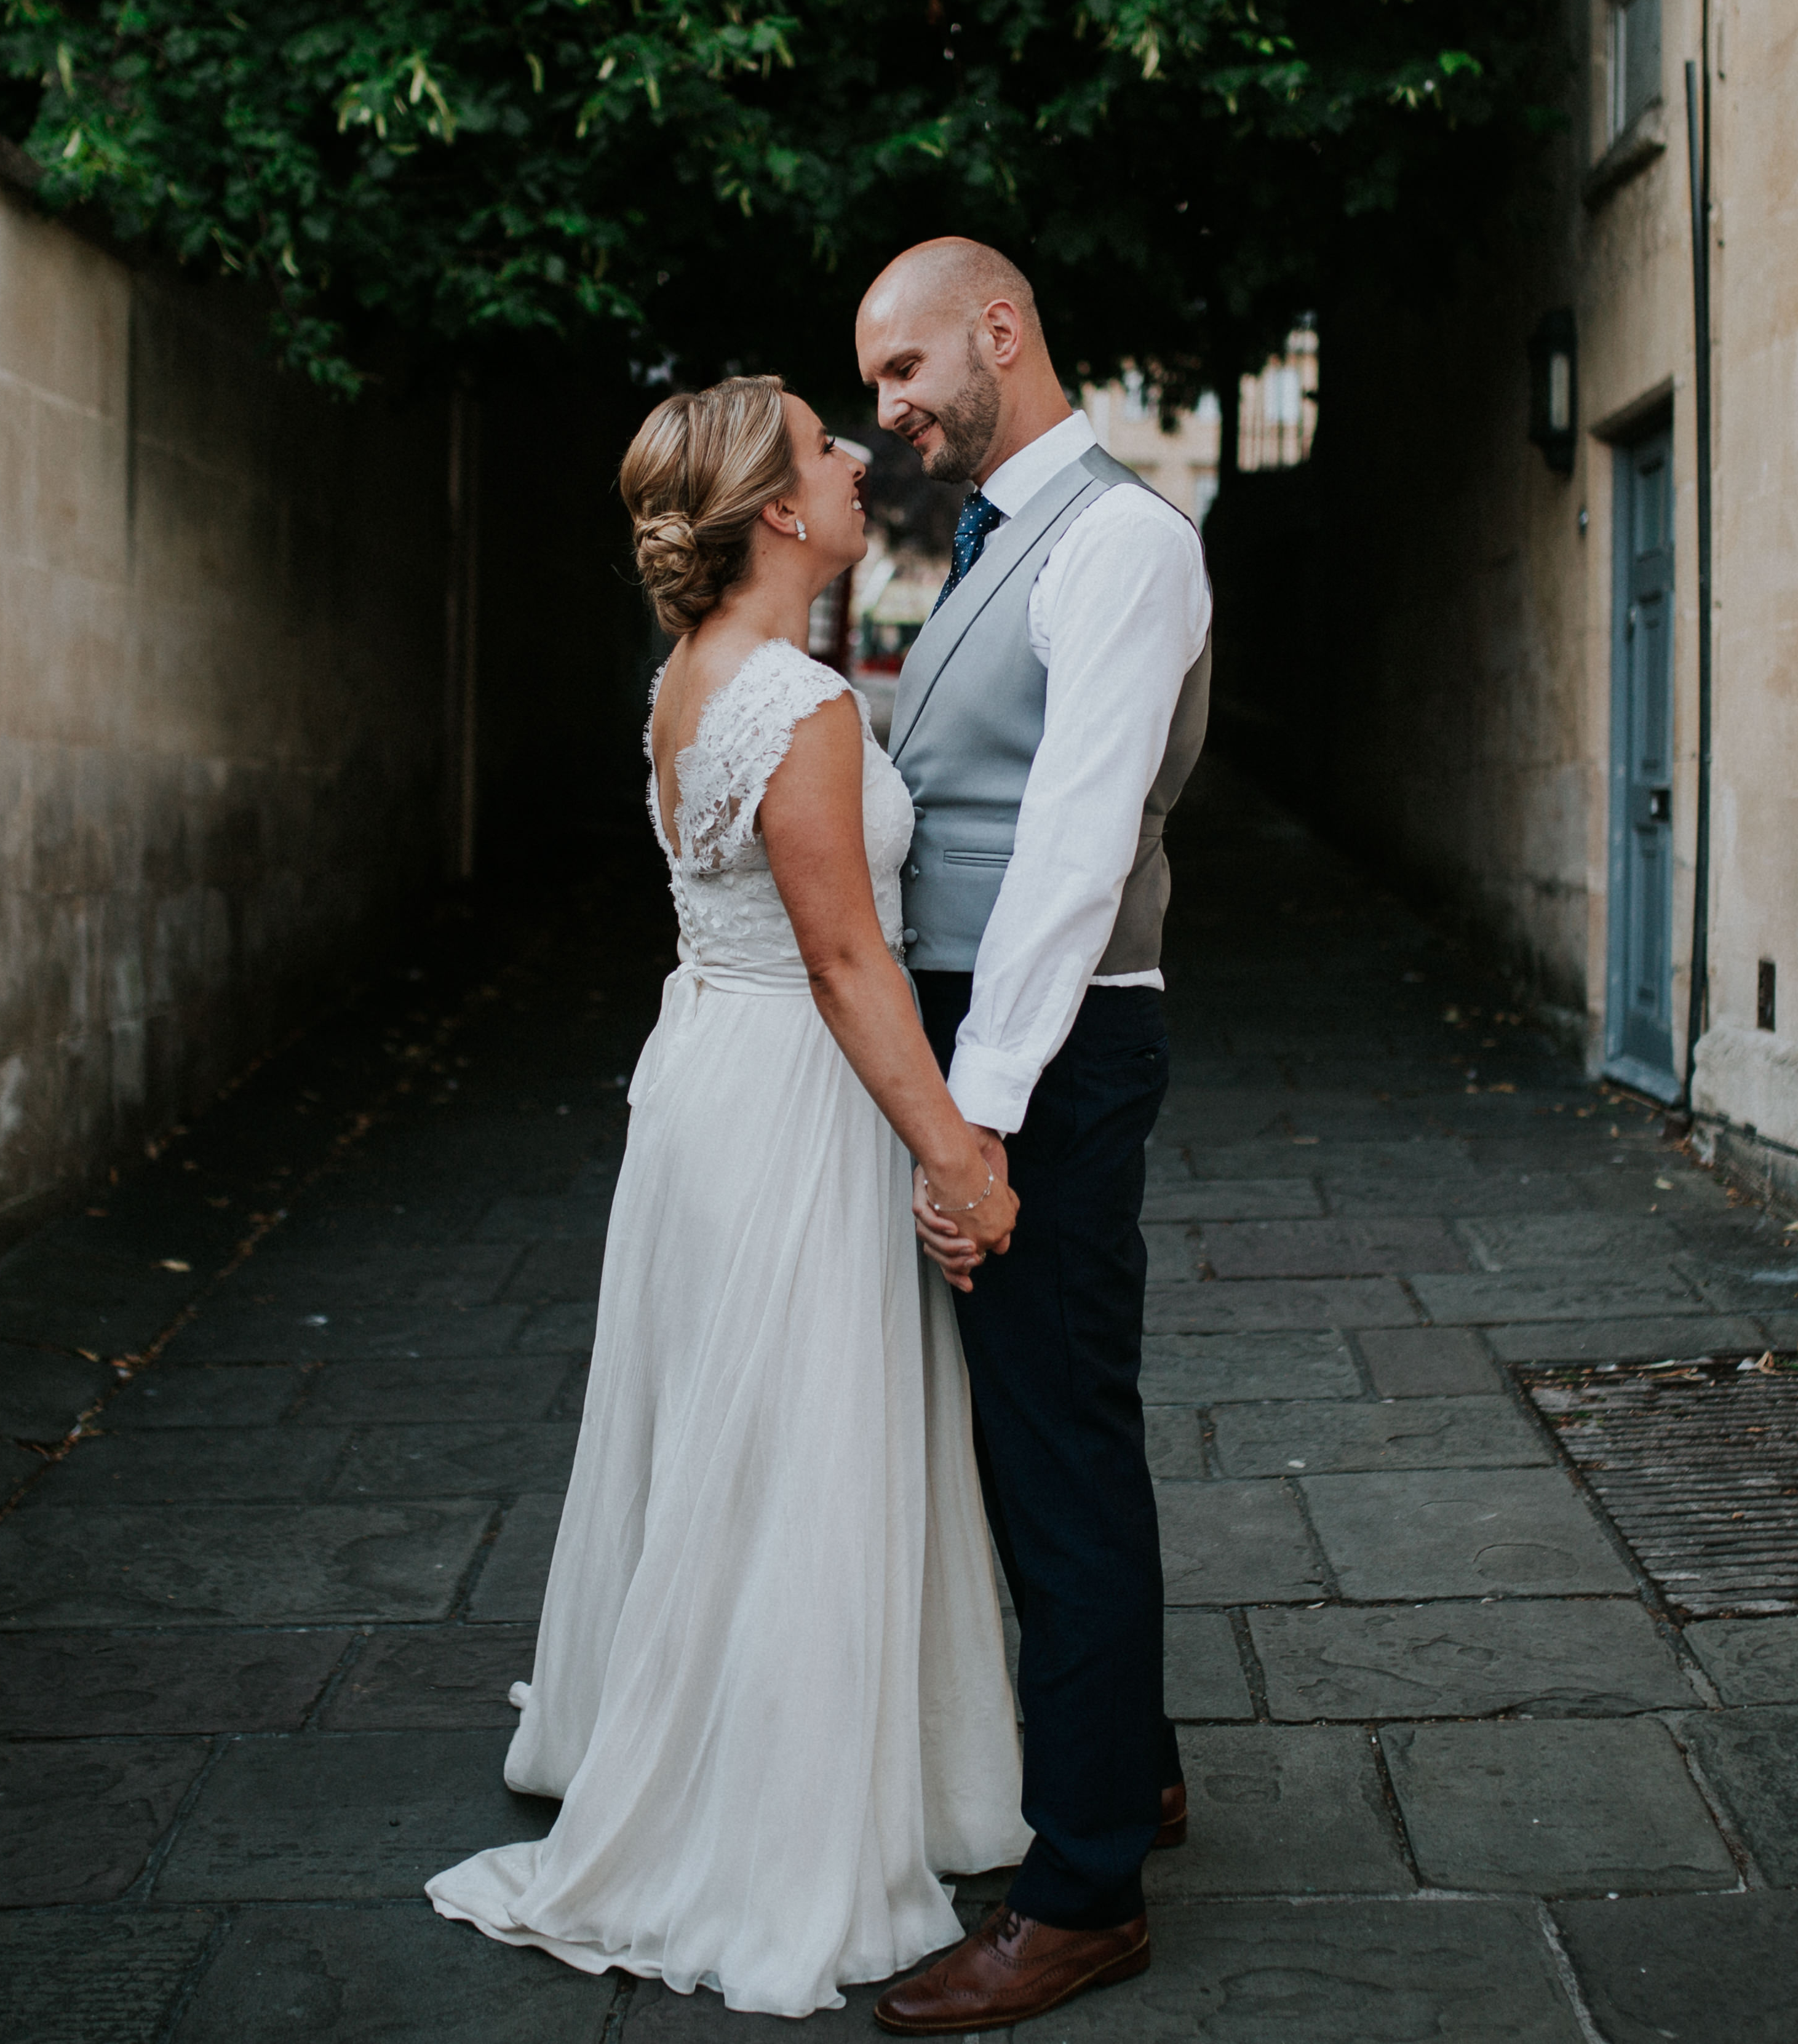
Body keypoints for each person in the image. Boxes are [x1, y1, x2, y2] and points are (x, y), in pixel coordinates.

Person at [425, 378, 1033, 2018]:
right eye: (828, 449)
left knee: (725, 1419)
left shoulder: (689, 681)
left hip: (701, 1078)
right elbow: (846, 960)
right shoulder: (804, 704)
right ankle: (772, 1806)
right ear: (777, 510)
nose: (855, 461)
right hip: (792, 1097)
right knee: (801, 1434)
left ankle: (692, 1718)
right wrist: (956, 1157)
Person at [854, 240, 1214, 2035]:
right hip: (996, 1045)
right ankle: (1128, 1765)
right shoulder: (997, 539)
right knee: (1048, 1429)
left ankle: (1081, 1892)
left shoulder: (1128, 544)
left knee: (1055, 1448)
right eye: (875, 385)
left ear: (1002, 329)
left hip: (1049, 1054)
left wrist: (973, 1120)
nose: (888, 408)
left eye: (907, 366)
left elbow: (1073, 855)